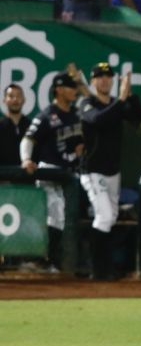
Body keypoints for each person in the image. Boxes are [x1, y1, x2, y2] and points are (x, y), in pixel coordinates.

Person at [75, 63, 141, 280]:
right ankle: (97, 270)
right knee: (104, 216)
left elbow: (138, 119)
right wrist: (122, 100)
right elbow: (97, 119)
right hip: (92, 171)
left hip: (113, 172)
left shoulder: (117, 103)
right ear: (93, 81)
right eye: (100, 77)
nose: (104, 80)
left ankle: (105, 268)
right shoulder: (87, 103)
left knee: (111, 217)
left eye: (108, 76)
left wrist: (131, 96)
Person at [19, 74, 82, 272]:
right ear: (59, 90)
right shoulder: (47, 114)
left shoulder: (75, 114)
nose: (75, 91)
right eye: (71, 87)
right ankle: (41, 260)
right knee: (55, 214)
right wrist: (26, 159)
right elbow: (28, 139)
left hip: (71, 173)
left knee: (65, 217)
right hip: (50, 171)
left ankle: (53, 260)